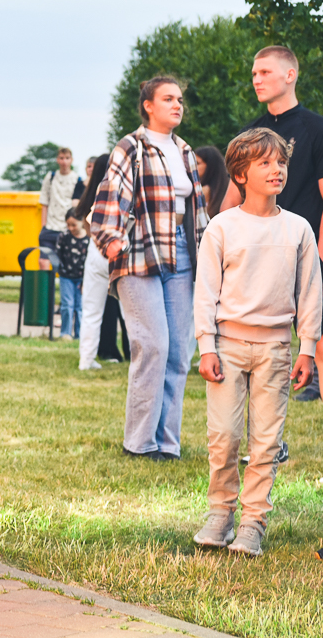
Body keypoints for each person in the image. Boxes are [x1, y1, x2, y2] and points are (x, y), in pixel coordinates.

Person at [193, 128, 319, 556]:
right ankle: (220, 513)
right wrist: (205, 345)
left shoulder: (299, 228)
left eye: (281, 161)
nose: (276, 169)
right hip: (227, 346)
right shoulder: (222, 227)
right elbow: (205, 292)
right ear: (240, 173)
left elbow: (309, 294)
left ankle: (253, 523)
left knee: (265, 441)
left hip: (277, 351)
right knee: (224, 436)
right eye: (264, 162)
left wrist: (307, 348)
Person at [91, 77, 208, 460]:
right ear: (148, 106)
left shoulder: (185, 151)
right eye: (168, 99)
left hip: (183, 254)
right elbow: (109, 198)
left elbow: (197, 212)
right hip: (140, 252)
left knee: (179, 352)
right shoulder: (131, 147)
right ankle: (139, 444)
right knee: (152, 345)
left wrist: (209, 254)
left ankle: (168, 444)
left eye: (180, 100)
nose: (177, 105)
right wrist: (112, 241)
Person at [220, 47, 323, 407]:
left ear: (290, 75)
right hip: (256, 261)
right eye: (254, 73)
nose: (256, 79)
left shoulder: (318, 129)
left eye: (265, 72)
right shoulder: (249, 134)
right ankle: (265, 442)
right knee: (255, 352)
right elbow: (231, 202)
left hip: (308, 255)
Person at [75, 154, 128, 368]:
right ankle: (139, 359)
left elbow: (87, 226)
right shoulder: (118, 192)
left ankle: (85, 359)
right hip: (118, 250)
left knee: (91, 310)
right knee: (130, 312)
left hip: (95, 252)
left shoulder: (89, 195)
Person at [38, 148, 86, 270]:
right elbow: (44, 202)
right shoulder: (51, 177)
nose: (64, 161)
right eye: (61, 158)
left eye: (67, 158)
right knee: (43, 262)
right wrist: (43, 226)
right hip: (50, 226)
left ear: (72, 160)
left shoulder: (77, 180)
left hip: (67, 228)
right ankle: (46, 289)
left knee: (65, 265)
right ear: (57, 160)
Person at [56, 209, 88, 340]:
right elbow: (58, 254)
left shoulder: (88, 239)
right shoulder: (64, 236)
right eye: (68, 225)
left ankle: (80, 334)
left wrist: (86, 281)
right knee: (67, 305)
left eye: (73, 225)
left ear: (82, 222)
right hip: (66, 277)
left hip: (82, 278)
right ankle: (65, 333)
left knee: (80, 307)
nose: (70, 228)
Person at [196, 146, 230, 219]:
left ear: (210, 166)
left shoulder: (203, 191)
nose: (193, 166)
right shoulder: (226, 186)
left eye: (197, 163)